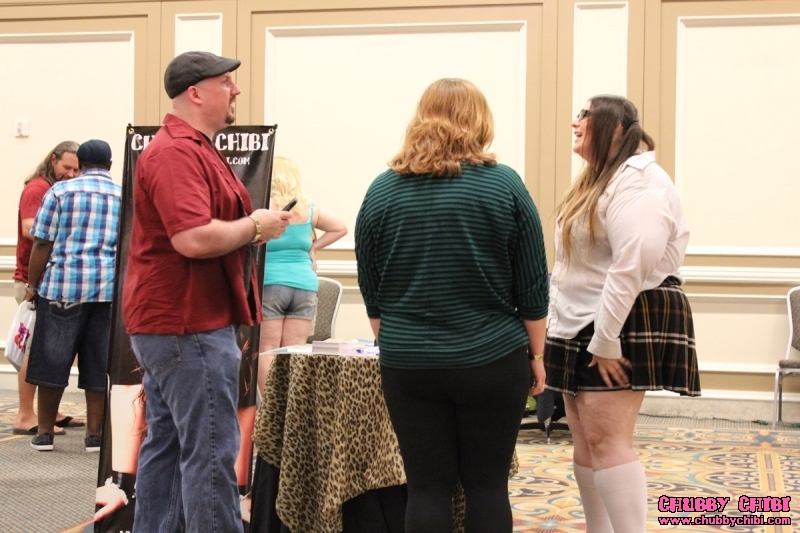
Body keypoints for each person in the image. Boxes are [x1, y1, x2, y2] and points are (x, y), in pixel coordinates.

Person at [355, 78, 549, 533]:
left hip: (408, 364)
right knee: (487, 487)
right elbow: (532, 285)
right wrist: (537, 355)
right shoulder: (504, 186)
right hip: (492, 358)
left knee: (426, 488)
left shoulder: (382, 191)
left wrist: (398, 343)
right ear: (480, 121)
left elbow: (371, 288)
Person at [122, 50, 291, 533]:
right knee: (211, 451)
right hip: (187, 324)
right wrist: (255, 226)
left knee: (170, 445)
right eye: (225, 82)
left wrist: (252, 226)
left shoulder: (190, 148)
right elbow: (192, 238)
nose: (236, 90)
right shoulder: (177, 152)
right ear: (195, 93)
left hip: (180, 323)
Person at [544, 95, 700, 533]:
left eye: (585, 115)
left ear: (615, 128)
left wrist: (607, 339)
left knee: (606, 439)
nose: (575, 122)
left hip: (622, 316)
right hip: (581, 318)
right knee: (585, 440)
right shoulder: (597, 179)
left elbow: (631, 265)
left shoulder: (641, 181)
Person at [25, 139, 122, 453]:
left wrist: (32, 286)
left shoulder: (60, 192)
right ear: (109, 164)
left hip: (62, 290)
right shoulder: (124, 196)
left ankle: (44, 434)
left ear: (80, 163)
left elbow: (42, 242)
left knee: (51, 360)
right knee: (99, 363)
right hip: (108, 291)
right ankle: (95, 435)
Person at [257, 156, 348, 394]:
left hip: (270, 283)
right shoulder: (308, 209)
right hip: (305, 286)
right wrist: (312, 247)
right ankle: (292, 407)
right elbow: (340, 227)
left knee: (267, 350)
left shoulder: (264, 209)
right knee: (294, 351)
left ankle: (272, 409)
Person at [12, 141, 85, 436]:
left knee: (52, 351)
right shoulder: (38, 188)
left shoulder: (57, 189)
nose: (71, 174)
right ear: (53, 160)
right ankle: (25, 415)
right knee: (34, 351)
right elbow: (30, 228)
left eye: (76, 170)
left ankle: (49, 411)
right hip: (32, 280)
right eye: (67, 167)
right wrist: (69, 233)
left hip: (49, 281)